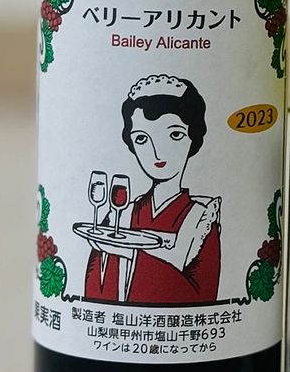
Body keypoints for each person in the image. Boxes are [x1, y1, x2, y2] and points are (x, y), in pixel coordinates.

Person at [84, 75, 221, 304]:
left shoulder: (200, 221)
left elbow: (203, 295)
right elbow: (94, 290)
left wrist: (130, 253)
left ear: (193, 138)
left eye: (175, 135)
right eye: (141, 139)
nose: (157, 152)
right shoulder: (122, 215)